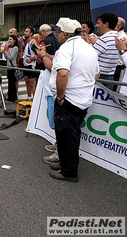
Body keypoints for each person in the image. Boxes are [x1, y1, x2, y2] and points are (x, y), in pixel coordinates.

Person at [48, 18, 99, 182]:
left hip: (69, 99)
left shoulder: (67, 48)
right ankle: (65, 164)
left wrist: (61, 97)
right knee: (71, 134)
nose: (56, 35)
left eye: (57, 32)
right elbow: (96, 74)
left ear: (64, 34)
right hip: (82, 98)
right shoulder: (88, 47)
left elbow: (62, 73)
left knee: (66, 136)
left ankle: (69, 172)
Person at [88, 12, 119, 90]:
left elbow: (89, 56)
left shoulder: (104, 40)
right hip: (110, 76)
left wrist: (89, 43)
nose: (96, 26)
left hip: (100, 78)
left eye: (98, 23)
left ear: (106, 24)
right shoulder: (117, 37)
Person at [22, 26, 37, 100]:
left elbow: (37, 53)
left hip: (30, 65)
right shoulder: (27, 42)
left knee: (32, 83)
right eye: (25, 31)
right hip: (25, 64)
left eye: (27, 31)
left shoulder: (33, 42)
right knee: (26, 81)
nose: (25, 33)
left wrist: (31, 58)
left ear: (31, 33)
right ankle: (29, 96)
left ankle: (35, 98)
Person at [3, 35, 19, 102]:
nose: (9, 41)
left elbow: (11, 57)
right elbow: (7, 58)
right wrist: (5, 52)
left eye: (11, 39)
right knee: (10, 82)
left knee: (12, 82)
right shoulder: (10, 48)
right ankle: (10, 96)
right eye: (9, 39)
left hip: (12, 67)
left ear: (14, 40)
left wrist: (6, 52)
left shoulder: (15, 48)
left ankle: (13, 97)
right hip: (8, 66)